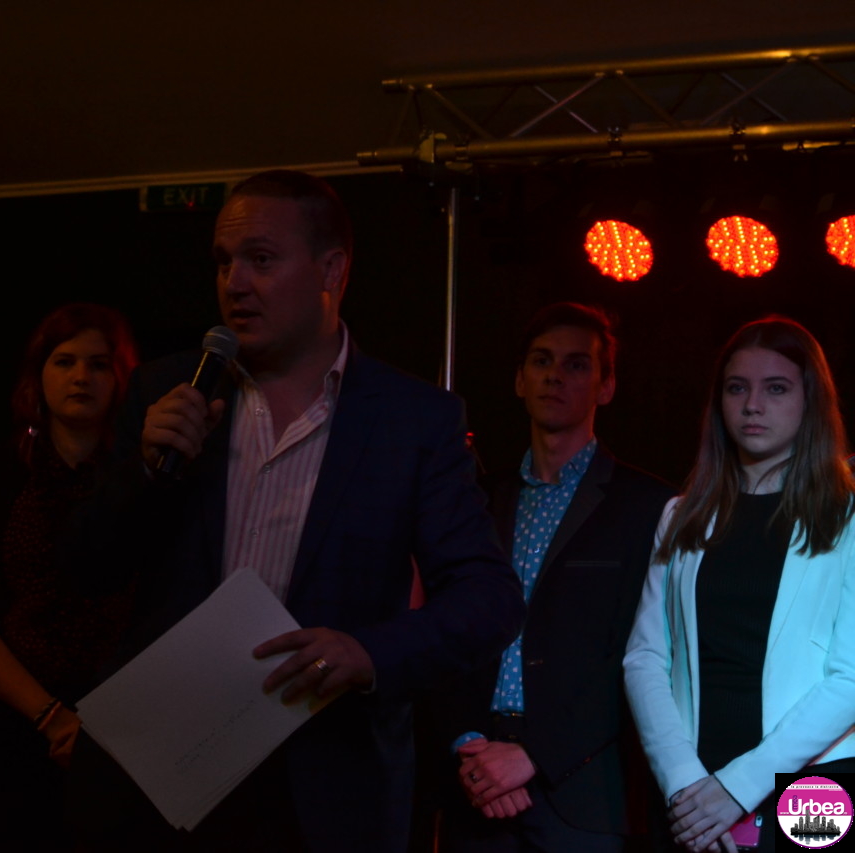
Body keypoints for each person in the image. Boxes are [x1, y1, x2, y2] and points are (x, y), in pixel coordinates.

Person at [69, 169, 525, 852]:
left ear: (332, 270)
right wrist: (143, 472)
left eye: (261, 259)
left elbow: (489, 598)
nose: (235, 283)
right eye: (224, 261)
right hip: (166, 777)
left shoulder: (413, 419)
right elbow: (86, 567)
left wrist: (368, 652)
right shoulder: (170, 389)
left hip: (325, 786)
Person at [433, 303, 674, 852]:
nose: (555, 376)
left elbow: (639, 657)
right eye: (541, 361)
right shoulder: (476, 501)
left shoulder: (648, 506)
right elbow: (445, 629)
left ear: (606, 386)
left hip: (582, 789)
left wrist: (534, 753)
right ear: (520, 380)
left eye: (576, 364)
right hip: (476, 777)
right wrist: (467, 741)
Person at [623, 315, 855, 853]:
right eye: (736, 388)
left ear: (811, 400)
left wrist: (739, 786)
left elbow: (850, 678)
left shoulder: (846, 517)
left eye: (776, 388)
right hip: (694, 784)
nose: (752, 405)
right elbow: (645, 658)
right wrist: (685, 782)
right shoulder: (681, 515)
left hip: (815, 782)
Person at [0, 302, 139, 847]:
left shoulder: (143, 478)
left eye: (98, 364)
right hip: (15, 729)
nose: (81, 376)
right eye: (65, 361)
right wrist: (51, 717)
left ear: (121, 378)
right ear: (39, 375)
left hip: (127, 734)